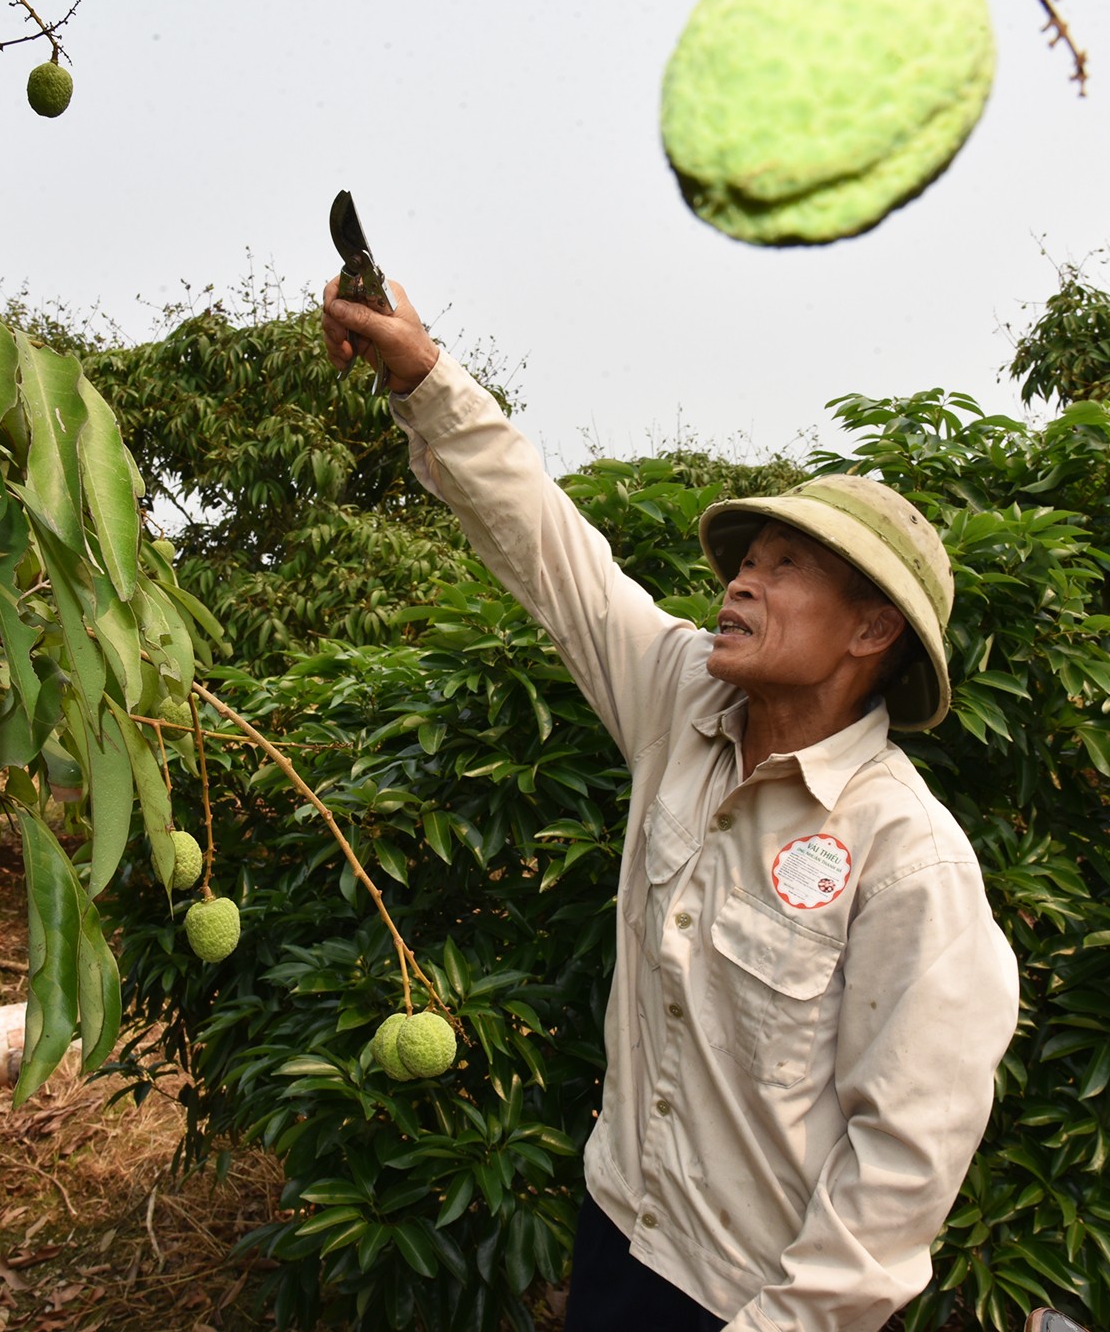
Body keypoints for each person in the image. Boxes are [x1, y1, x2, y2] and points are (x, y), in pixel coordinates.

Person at [322, 280, 1020, 1332]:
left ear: (870, 631)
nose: (741, 583)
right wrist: (422, 375)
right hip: (622, 1230)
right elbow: (551, 551)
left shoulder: (905, 856)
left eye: (785, 568)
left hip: (752, 1299)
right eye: (746, 560)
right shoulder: (680, 697)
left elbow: (903, 1162)